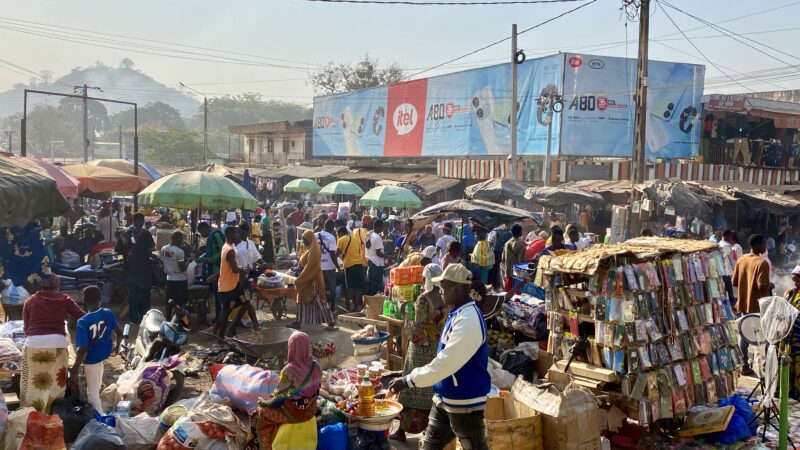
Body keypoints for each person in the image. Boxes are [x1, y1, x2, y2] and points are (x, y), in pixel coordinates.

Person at [388, 264, 491, 450]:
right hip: (445, 397)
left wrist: (408, 380)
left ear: (460, 289)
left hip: (464, 401)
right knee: (430, 445)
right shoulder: (458, 312)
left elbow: (446, 363)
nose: (441, 291)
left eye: (445, 287)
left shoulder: (468, 319)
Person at [391, 263, 447, 442]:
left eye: (423, 277)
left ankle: (401, 431)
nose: (422, 280)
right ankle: (427, 430)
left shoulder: (423, 299)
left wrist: (405, 314)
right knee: (429, 388)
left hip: (419, 348)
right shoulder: (445, 298)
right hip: (435, 348)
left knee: (410, 385)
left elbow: (418, 326)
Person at [246, 331, 322, 449]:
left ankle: (261, 447)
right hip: (310, 409)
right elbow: (317, 388)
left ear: (291, 347)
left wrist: (263, 402)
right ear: (307, 346)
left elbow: (281, 398)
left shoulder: (288, 371)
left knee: (255, 414)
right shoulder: (315, 366)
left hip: (294, 413)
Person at [22, 275, 85, 412]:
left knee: (34, 383)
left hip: (33, 345)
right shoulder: (64, 299)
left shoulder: (30, 301)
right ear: (57, 285)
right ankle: (54, 413)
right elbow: (82, 317)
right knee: (56, 383)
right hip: (57, 345)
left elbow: (26, 329)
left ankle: (33, 414)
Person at [69, 285, 122, 414]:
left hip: (91, 358)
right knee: (96, 384)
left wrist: (75, 368)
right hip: (104, 353)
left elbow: (82, 349)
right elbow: (119, 333)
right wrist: (117, 347)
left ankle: (99, 418)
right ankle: (97, 408)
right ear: (100, 298)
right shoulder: (108, 313)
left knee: (91, 391)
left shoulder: (83, 321)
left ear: (84, 300)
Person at [732, 234, 772, 376]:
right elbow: (763, 287)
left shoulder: (741, 260)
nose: (765, 247)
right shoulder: (762, 263)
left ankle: (744, 366)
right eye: (763, 244)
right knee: (769, 336)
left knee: (744, 335)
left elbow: (735, 282)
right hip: (759, 306)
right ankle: (768, 366)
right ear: (756, 245)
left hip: (743, 304)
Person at [291, 230, 336, 329]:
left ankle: (331, 321)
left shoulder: (314, 251)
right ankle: (298, 321)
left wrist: (299, 280)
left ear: (309, 239)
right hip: (305, 278)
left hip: (312, 280)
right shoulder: (308, 249)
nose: (303, 241)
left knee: (320, 301)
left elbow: (310, 267)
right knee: (301, 300)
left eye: (304, 239)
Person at [212, 227, 252, 338]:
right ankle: (222, 336)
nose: (238, 236)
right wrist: (243, 268)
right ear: (230, 234)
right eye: (236, 234)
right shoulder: (230, 250)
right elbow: (234, 269)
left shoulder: (226, 247)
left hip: (232, 286)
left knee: (244, 303)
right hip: (230, 288)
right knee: (227, 310)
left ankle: (221, 331)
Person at [116, 213, 155, 323]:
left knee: (133, 295)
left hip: (129, 269)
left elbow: (118, 250)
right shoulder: (146, 233)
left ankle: (134, 319)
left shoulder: (124, 233)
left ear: (132, 220)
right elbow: (150, 249)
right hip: (144, 269)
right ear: (142, 221)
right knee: (145, 294)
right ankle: (145, 317)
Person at [197, 221, 225, 325]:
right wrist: (199, 259)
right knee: (216, 295)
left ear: (205, 229)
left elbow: (223, 251)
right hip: (213, 269)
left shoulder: (216, 235)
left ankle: (219, 319)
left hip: (218, 269)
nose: (201, 235)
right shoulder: (210, 237)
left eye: (201, 232)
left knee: (218, 296)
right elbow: (209, 252)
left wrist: (209, 260)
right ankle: (218, 317)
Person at [161, 231, 189, 320]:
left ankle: (168, 320)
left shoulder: (164, 249)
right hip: (180, 280)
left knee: (169, 302)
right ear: (178, 240)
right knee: (181, 303)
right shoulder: (179, 252)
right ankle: (182, 323)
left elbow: (163, 262)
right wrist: (188, 261)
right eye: (181, 240)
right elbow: (183, 268)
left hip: (169, 279)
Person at [782, 266, 800, 400]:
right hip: (789, 335)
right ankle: (791, 390)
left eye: (798, 280)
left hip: (798, 335)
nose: (795, 283)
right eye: (794, 280)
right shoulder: (790, 293)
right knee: (789, 362)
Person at [337, 226, 364, 312]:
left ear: (341, 233)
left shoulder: (341, 240)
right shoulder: (355, 240)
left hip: (349, 265)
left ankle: (348, 307)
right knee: (356, 287)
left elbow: (337, 253)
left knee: (348, 287)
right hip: (359, 265)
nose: (337, 236)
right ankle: (356, 307)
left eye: (338, 234)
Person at [316, 220, 340, 313]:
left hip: (317, 266)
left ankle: (319, 307)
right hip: (329, 267)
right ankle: (332, 308)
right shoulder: (331, 237)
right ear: (332, 227)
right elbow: (332, 254)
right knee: (332, 288)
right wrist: (338, 267)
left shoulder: (315, 235)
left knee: (319, 288)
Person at [502, 224, 526, 292]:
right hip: (516, 275)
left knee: (507, 293)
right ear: (520, 232)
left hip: (508, 272)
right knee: (516, 295)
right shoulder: (521, 245)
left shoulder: (506, 243)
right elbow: (521, 262)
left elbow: (503, 258)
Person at [365, 219, 387, 296]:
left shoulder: (369, 234)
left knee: (370, 282)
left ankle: (369, 300)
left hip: (370, 261)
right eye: (382, 227)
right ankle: (373, 300)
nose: (383, 229)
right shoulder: (377, 237)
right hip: (377, 263)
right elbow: (378, 253)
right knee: (376, 284)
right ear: (379, 226)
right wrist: (388, 256)